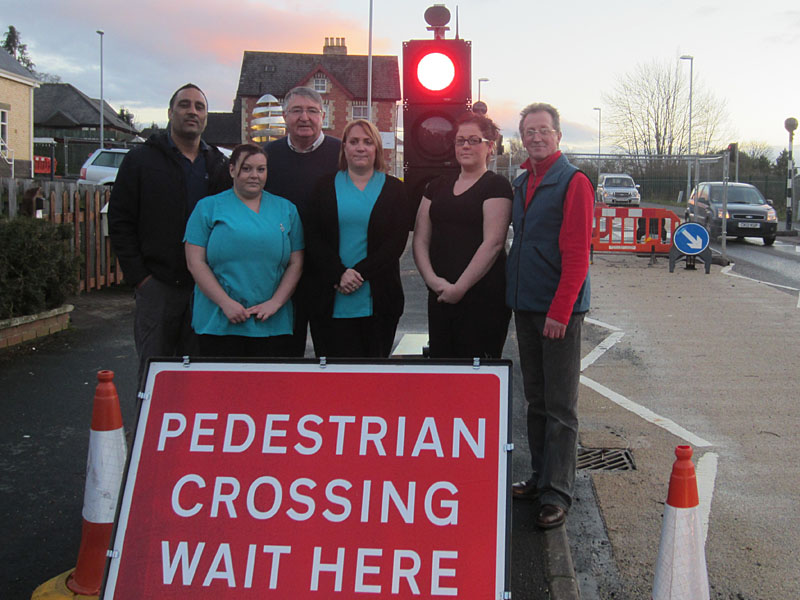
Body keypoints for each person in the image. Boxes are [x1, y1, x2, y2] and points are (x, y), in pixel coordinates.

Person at [507, 103, 593, 530]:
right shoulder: (523, 182)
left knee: (560, 406)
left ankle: (557, 493)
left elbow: (578, 255)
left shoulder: (573, 182)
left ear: (558, 136)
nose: (536, 137)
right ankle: (540, 478)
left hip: (558, 310)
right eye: (529, 131)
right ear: (522, 138)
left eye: (544, 130)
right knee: (536, 400)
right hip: (526, 305)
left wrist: (560, 312)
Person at [109, 83, 231, 383]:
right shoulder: (141, 161)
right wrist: (140, 278)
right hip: (159, 286)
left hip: (206, 290)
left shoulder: (217, 164)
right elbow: (120, 220)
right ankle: (148, 431)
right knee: (156, 374)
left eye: (199, 107)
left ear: (206, 117)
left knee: (201, 375)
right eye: (185, 105)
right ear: (170, 112)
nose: (192, 111)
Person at [184, 144, 303, 357]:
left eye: (261, 169)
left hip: (271, 322)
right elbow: (195, 262)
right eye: (246, 169)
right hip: (219, 321)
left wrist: (275, 303)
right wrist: (225, 303)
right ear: (232, 170)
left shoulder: (286, 210)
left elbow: (296, 263)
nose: (254, 175)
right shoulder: (208, 208)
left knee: (268, 388)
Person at [412, 112, 513, 358]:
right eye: (460, 140)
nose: (465, 145)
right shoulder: (436, 186)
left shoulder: (496, 186)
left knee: (477, 373)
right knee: (444, 371)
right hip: (440, 296)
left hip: (483, 298)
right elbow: (420, 240)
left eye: (473, 140)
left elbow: (493, 243)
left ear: (490, 147)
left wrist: (460, 288)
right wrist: (433, 282)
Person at [305, 119, 408, 358]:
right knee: (334, 381)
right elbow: (313, 236)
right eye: (354, 142)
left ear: (377, 149)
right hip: (330, 299)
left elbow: (395, 243)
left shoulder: (395, 189)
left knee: (373, 382)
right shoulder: (323, 187)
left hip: (379, 300)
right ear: (344, 148)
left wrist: (357, 274)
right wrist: (340, 273)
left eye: (367, 142)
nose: (360, 147)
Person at [264, 87, 341, 357]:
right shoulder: (268, 156)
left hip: (329, 272)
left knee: (331, 355)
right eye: (296, 110)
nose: (304, 117)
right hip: (280, 273)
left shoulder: (342, 154)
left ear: (323, 115)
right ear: (285, 116)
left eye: (311, 111)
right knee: (284, 354)